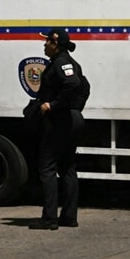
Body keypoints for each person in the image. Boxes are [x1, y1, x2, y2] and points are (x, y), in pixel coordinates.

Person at [29, 28, 86, 230]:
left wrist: (53, 105)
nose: (44, 45)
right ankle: (69, 217)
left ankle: (49, 218)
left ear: (55, 43)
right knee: (68, 168)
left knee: (47, 169)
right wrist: (75, 108)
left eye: (46, 42)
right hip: (70, 119)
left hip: (59, 122)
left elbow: (73, 84)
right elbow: (85, 87)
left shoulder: (61, 62)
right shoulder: (70, 62)